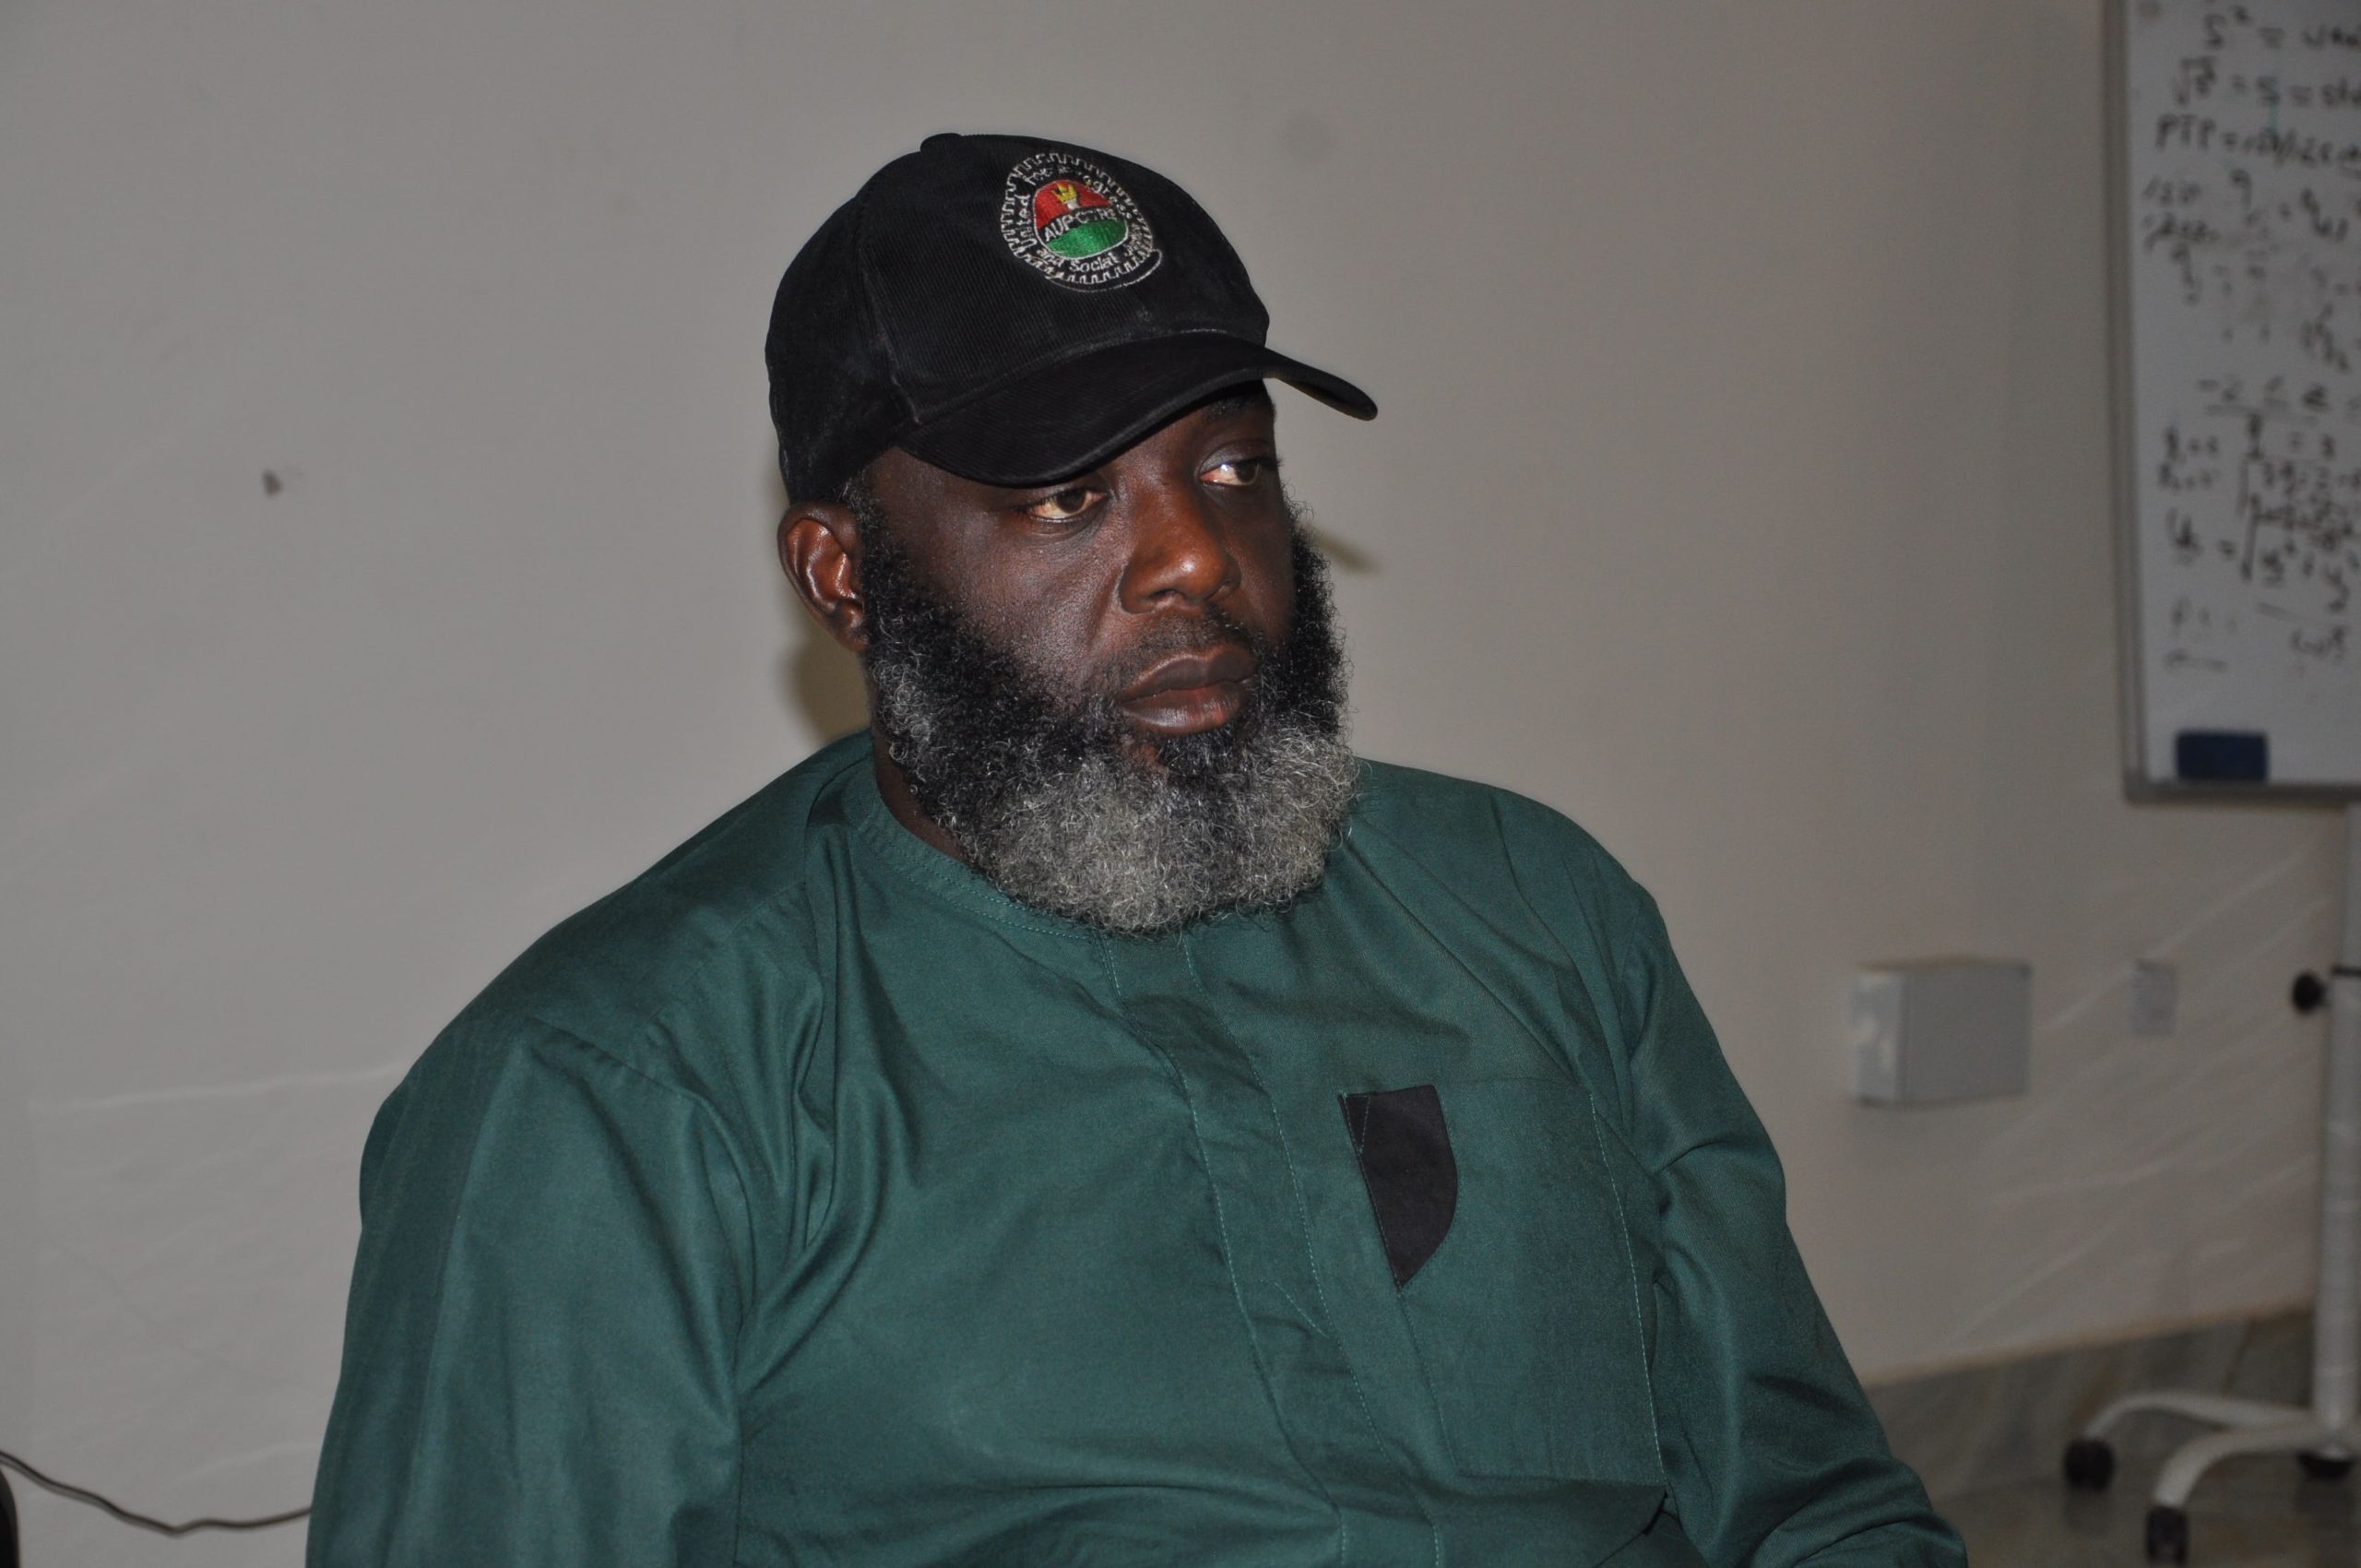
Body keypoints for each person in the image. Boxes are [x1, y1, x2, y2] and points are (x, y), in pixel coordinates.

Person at [307, 133, 1964, 1567]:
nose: (1196, 557)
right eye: (1066, 498)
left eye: (1232, 467)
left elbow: (1818, 1511)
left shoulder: (1533, 910)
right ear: (846, 577)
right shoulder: (616, 1090)